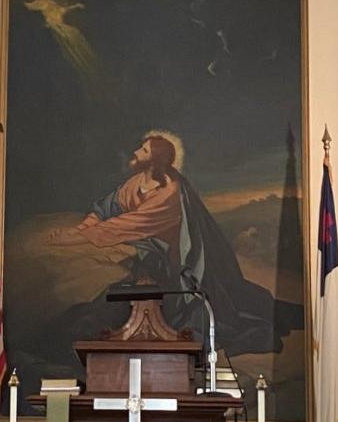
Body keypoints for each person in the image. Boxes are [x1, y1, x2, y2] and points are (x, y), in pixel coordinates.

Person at [49, 133, 301, 357]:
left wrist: (73, 238)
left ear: (156, 159)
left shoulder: (170, 192)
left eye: (144, 150)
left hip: (174, 268)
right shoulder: (136, 183)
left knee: (180, 320)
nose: (137, 152)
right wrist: (79, 229)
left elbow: (124, 224)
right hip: (147, 262)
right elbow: (106, 208)